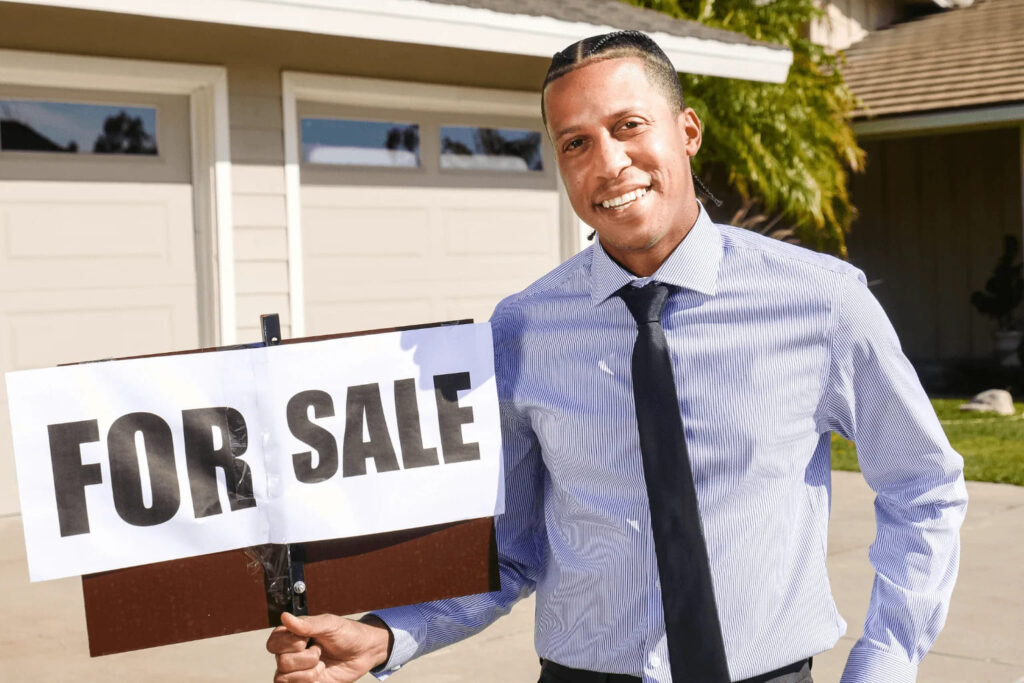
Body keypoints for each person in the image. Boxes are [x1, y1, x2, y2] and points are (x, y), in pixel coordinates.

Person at [266, 31, 967, 683]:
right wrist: (387, 635)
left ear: (687, 131)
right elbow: (512, 550)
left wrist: (885, 658)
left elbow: (924, 487)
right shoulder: (523, 328)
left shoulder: (822, 302)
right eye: (575, 142)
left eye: (629, 126)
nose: (608, 162)